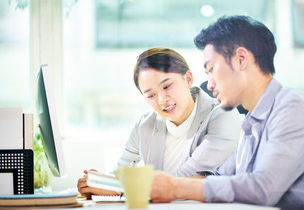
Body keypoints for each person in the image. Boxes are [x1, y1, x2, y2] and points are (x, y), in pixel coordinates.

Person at [150, 16, 304, 209]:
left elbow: (263, 189)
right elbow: (217, 179)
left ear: (241, 59)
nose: (209, 85)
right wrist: (156, 186)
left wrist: (176, 187)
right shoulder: (253, 121)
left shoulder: (294, 108)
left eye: (211, 69)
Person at [77, 47, 242, 199]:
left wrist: (117, 186)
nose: (162, 100)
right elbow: (119, 174)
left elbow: (193, 177)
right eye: (150, 95)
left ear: (188, 79)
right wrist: (97, 182)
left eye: (167, 86)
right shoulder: (145, 125)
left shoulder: (223, 115)